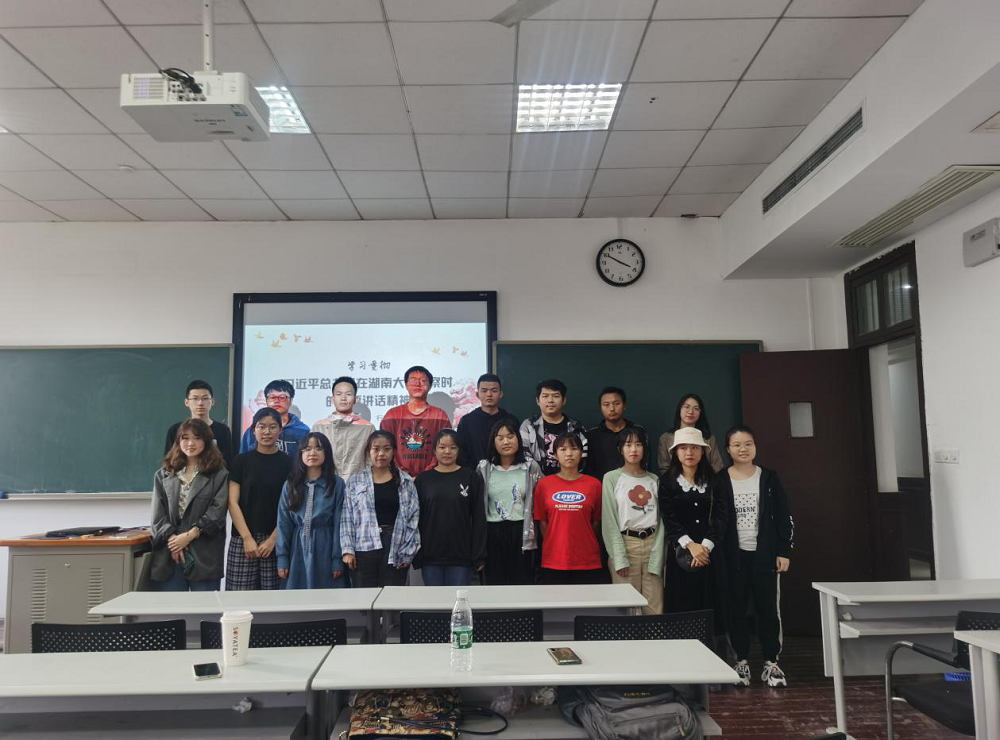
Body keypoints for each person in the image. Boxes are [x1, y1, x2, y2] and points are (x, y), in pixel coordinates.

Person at [718, 425, 793, 688]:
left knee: (768, 610)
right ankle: (741, 661)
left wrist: (784, 551)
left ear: (755, 447)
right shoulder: (720, 480)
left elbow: (784, 516)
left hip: (765, 556)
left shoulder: (769, 478)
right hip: (733, 557)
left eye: (748, 443)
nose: (743, 449)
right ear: (728, 449)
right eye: (737, 445)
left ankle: (771, 663)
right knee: (735, 609)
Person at [659, 426, 728, 651]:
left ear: (703, 451)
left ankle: (714, 661)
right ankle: (682, 658)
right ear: (675, 452)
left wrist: (705, 547)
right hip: (681, 554)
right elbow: (669, 518)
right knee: (681, 604)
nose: (689, 452)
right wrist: (690, 546)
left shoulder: (715, 481)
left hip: (710, 554)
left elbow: (721, 516)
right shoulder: (667, 482)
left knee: (710, 604)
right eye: (683, 448)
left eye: (695, 448)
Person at [150, 419, 229, 591]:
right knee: (173, 606)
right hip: (170, 550)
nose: (191, 443)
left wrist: (188, 536)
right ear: (178, 441)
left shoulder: (219, 475)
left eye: (197, 438)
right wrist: (174, 541)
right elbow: (157, 515)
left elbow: (217, 513)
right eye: (185, 438)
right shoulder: (164, 474)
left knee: (204, 605)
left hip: (204, 549)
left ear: (206, 441)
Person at [341, 430, 420, 588]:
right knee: (364, 598)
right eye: (376, 449)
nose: (381, 454)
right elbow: (347, 517)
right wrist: (348, 550)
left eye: (387, 449)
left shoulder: (405, 481)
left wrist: (408, 551)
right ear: (368, 452)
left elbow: (413, 518)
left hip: (396, 546)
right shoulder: (356, 481)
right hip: (363, 546)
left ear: (394, 451)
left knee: (392, 596)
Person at [227, 407, 293, 590]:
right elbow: (232, 502)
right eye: (261, 426)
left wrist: (273, 540)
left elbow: (292, 505)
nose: (267, 432)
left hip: (276, 539)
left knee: (273, 600)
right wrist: (247, 538)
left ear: (280, 431)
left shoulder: (289, 463)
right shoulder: (241, 461)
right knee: (238, 599)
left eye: (272, 427)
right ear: (253, 430)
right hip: (242, 539)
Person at [601, 426, 664, 614]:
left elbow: (662, 522)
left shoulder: (654, 479)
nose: (633, 449)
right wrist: (619, 558)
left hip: (652, 545)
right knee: (627, 609)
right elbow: (609, 521)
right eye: (628, 444)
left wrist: (658, 555)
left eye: (638, 444)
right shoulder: (611, 478)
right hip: (626, 545)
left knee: (654, 607)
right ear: (620, 449)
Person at [414, 429, 487, 587]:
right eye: (442, 447)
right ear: (434, 450)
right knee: (434, 601)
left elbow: (478, 518)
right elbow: (415, 519)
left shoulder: (470, 477)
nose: (447, 451)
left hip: (461, 555)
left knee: (458, 600)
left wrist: (479, 554)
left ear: (458, 450)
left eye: (452, 447)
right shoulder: (423, 480)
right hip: (431, 555)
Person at [475, 418, 542, 585]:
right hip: (492, 531)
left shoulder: (530, 466)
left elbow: (541, 498)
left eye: (510, 436)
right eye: (500, 438)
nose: (506, 442)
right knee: (494, 582)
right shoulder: (484, 467)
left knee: (521, 581)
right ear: (493, 442)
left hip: (522, 530)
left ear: (518, 439)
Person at [276, 433, 347, 590]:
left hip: (326, 547)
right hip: (297, 549)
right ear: (300, 453)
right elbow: (283, 523)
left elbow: (339, 524)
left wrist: (337, 558)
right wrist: (282, 557)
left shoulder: (336, 484)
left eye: (319, 448)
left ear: (327, 453)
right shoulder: (290, 485)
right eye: (307, 449)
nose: (312, 453)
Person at [532, 432, 603, 585]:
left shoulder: (595, 485)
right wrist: (555, 541)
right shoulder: (544, 485)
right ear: (555, 455)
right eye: (563, 449)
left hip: (587, 559)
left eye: (574, 448)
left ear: (581, 453)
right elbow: (542, 521)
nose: (569, 453)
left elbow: (596, 521)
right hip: (554, 559)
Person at [380, 366, 451, 478]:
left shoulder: (440, 416)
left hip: (433, 478)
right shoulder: (392, 415)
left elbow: (446, 448)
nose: (418, 384)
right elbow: (384, 447)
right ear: (406, 384)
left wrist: (426, 474)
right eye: (413, 380)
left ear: (430, 386)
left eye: (423, 381)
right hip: (397, 477)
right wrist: (402, 473)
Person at [519, 378, 588, 476]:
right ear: (538, 401)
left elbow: (583, 457)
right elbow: (524, 457)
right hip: (536, 481)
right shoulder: (528, 426)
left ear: (564, 400)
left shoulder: (576, 427)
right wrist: (543, 481)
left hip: (569, 481)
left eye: (556, 396)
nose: (550, 400)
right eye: (545, 396)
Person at [311, 376, 374, 479]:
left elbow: (370, 462)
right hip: (327, 483)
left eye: (348, 394)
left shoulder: (367, 428)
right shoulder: (319, 427)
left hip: (357, 484)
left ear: (355, 399)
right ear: (332, 399)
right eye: (339, 394)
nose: (343, 398)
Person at [164, 380, 233, 467]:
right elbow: (170, 461)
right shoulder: (176, 430)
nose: (200, 403)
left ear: (212, 401)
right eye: (195, 398)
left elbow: (228, 463)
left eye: (205, 398)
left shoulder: (223, 430)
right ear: (186, 402)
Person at [456, 373, 518, 467]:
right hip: (474, 474)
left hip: (506, 472)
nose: (489, 394)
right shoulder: (467, 421)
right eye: (484, 391)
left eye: (494, 391)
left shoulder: (510, 420)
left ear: (501, 394)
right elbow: (461, 454)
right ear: (477, 394)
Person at [238, 379, 310, 456]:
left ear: (291, 400)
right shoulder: (254, 430)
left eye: (282, 397)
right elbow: (243, 457)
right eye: (272, 397)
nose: (276, 401)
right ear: (266, 400)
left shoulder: (303, 431)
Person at [586, 386, 645, 479]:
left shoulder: (638, 431)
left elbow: (645, 462)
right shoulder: (592, 435)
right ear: (601, 407)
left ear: (624, 405)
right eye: (606, 404)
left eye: (616, 403)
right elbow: (588, 468)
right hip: (600, 485)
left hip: (633, 484)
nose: (612, 408)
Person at [657, 393, 724, 474]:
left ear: (700, 412)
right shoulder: (666, 438)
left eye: (696, 408)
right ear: (679, 409)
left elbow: (717, 466)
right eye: (686, 407)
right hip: (674, 480)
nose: (691, 412)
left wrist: (703, 479)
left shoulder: (708, 438)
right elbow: (664, 468)